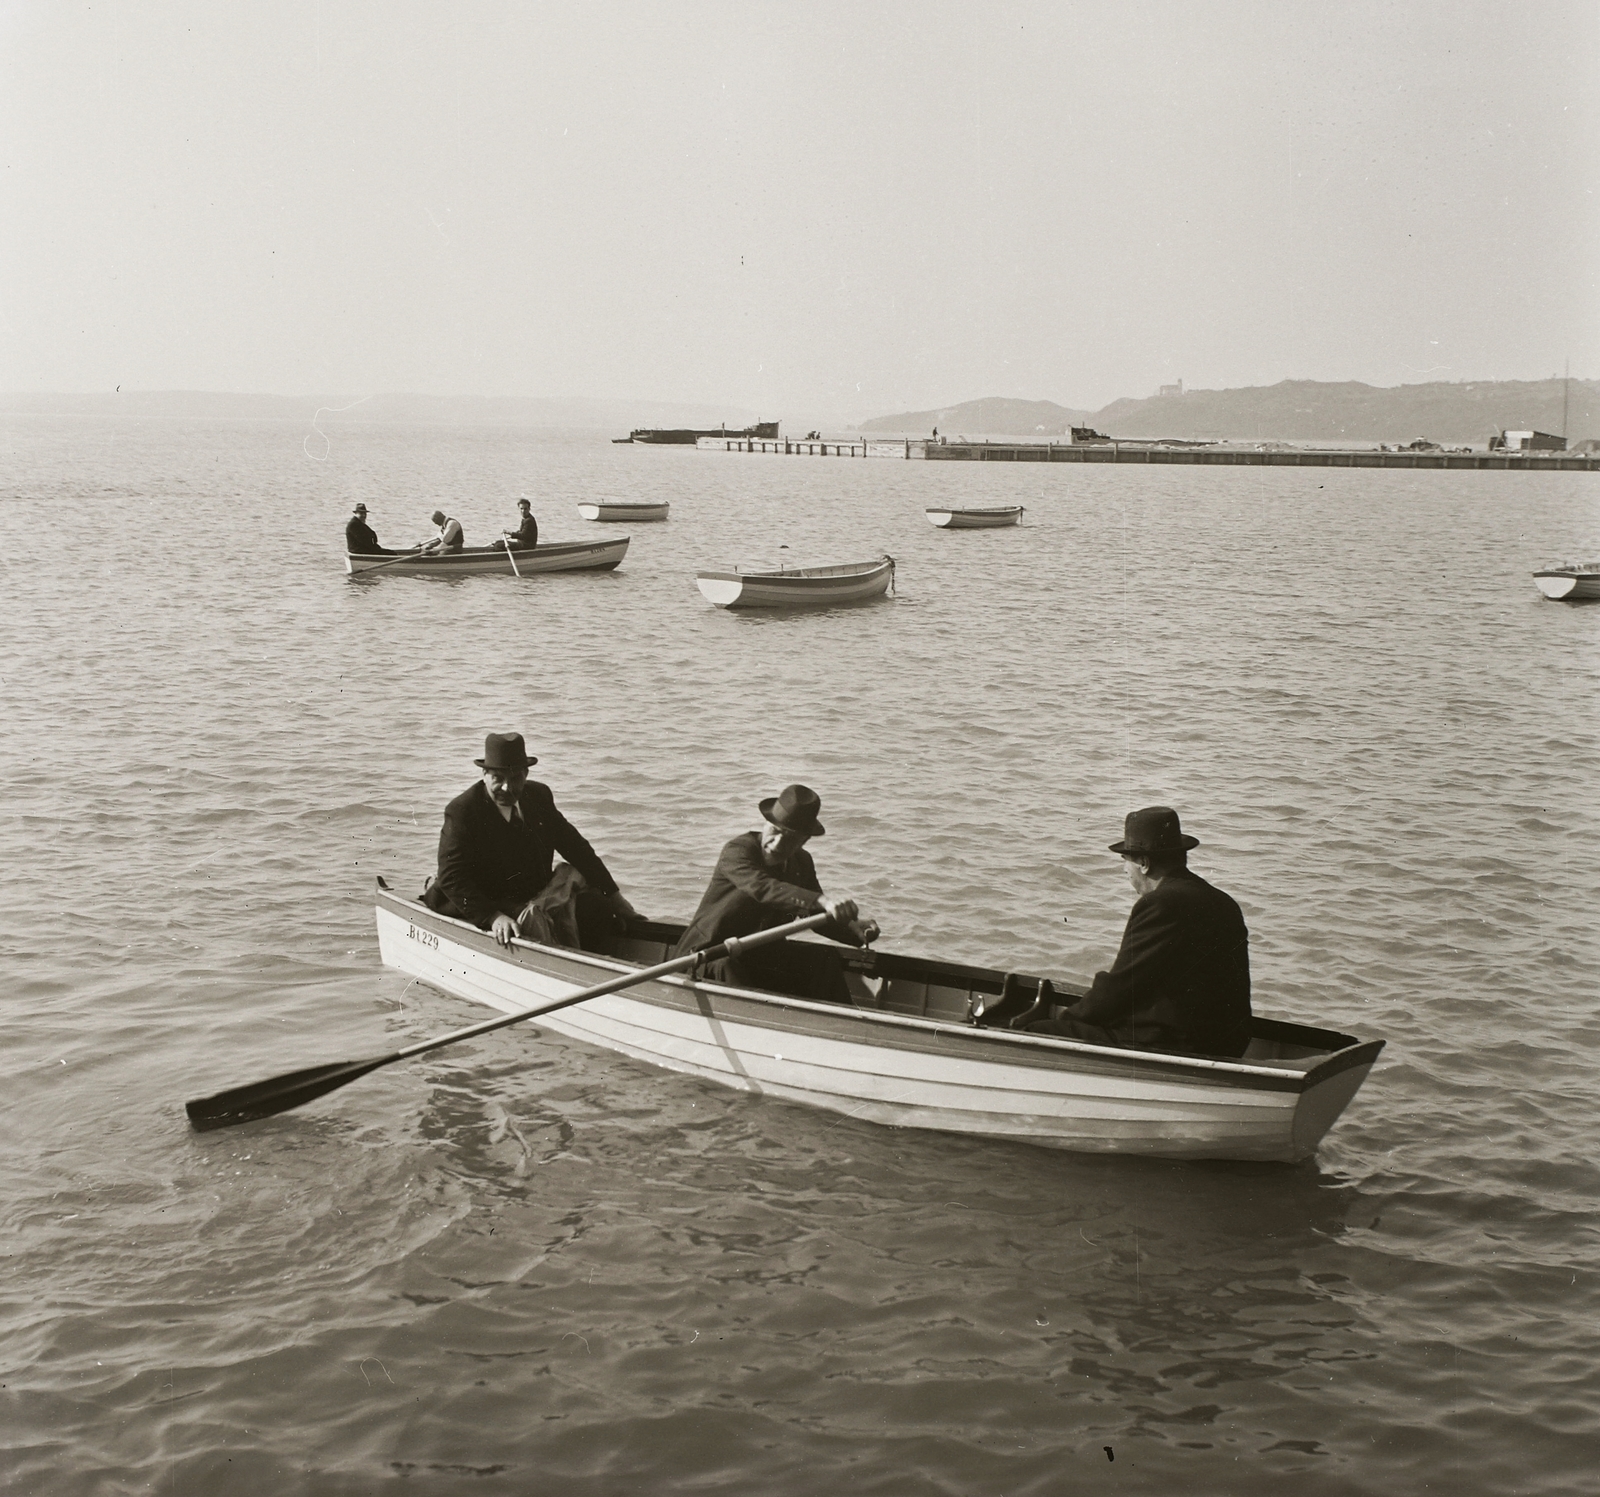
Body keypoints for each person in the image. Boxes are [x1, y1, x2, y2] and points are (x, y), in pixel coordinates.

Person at [1024, 807, 1252, 1057]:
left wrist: (1067, 1017)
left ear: (1143, 863)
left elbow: (1122, 986)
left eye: (1126, 861)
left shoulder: (1160, 904)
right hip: (1228, 1044)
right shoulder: (1223, 902)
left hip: (1178, 1046)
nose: (1125, 871)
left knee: (1035, 1032)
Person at [420, 732, 637, 948]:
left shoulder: (539, 796)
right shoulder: (463, 810)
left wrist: (615, 898)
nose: (507, 787)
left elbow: (576, 849)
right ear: (485, 774)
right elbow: (451, 875)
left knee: (597, 906)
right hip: (482, 902)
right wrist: (493, 918)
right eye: (498, 779)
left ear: (525, 774)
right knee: (527, 927)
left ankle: (592, 964)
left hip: (529, 897)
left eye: (515, 778)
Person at [670, 784, 879, 1002]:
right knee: (728, 965)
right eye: (775, 831)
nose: (777, 843)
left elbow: (815, 917)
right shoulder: (738, 850)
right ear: (766, 823)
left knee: (824, 958)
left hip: (759, 958)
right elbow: (763, 887)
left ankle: (840, 1023)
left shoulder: (802, 862)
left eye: (790, 838)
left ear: (804, 840)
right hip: (706, 957)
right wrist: (822, 900)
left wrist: (853, 929)